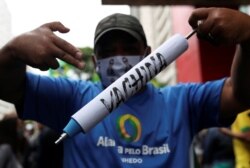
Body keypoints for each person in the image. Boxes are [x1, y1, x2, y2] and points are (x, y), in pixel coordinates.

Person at [1, 7, 250, 168]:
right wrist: (12, 52)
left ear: (149, 55)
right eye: (108, 52)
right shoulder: (73, 98)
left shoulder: (182, 100)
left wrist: (248, 36)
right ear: (96, 63)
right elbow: (8, 87)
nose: (119, 58)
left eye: (129, 49)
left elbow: (239, 95)